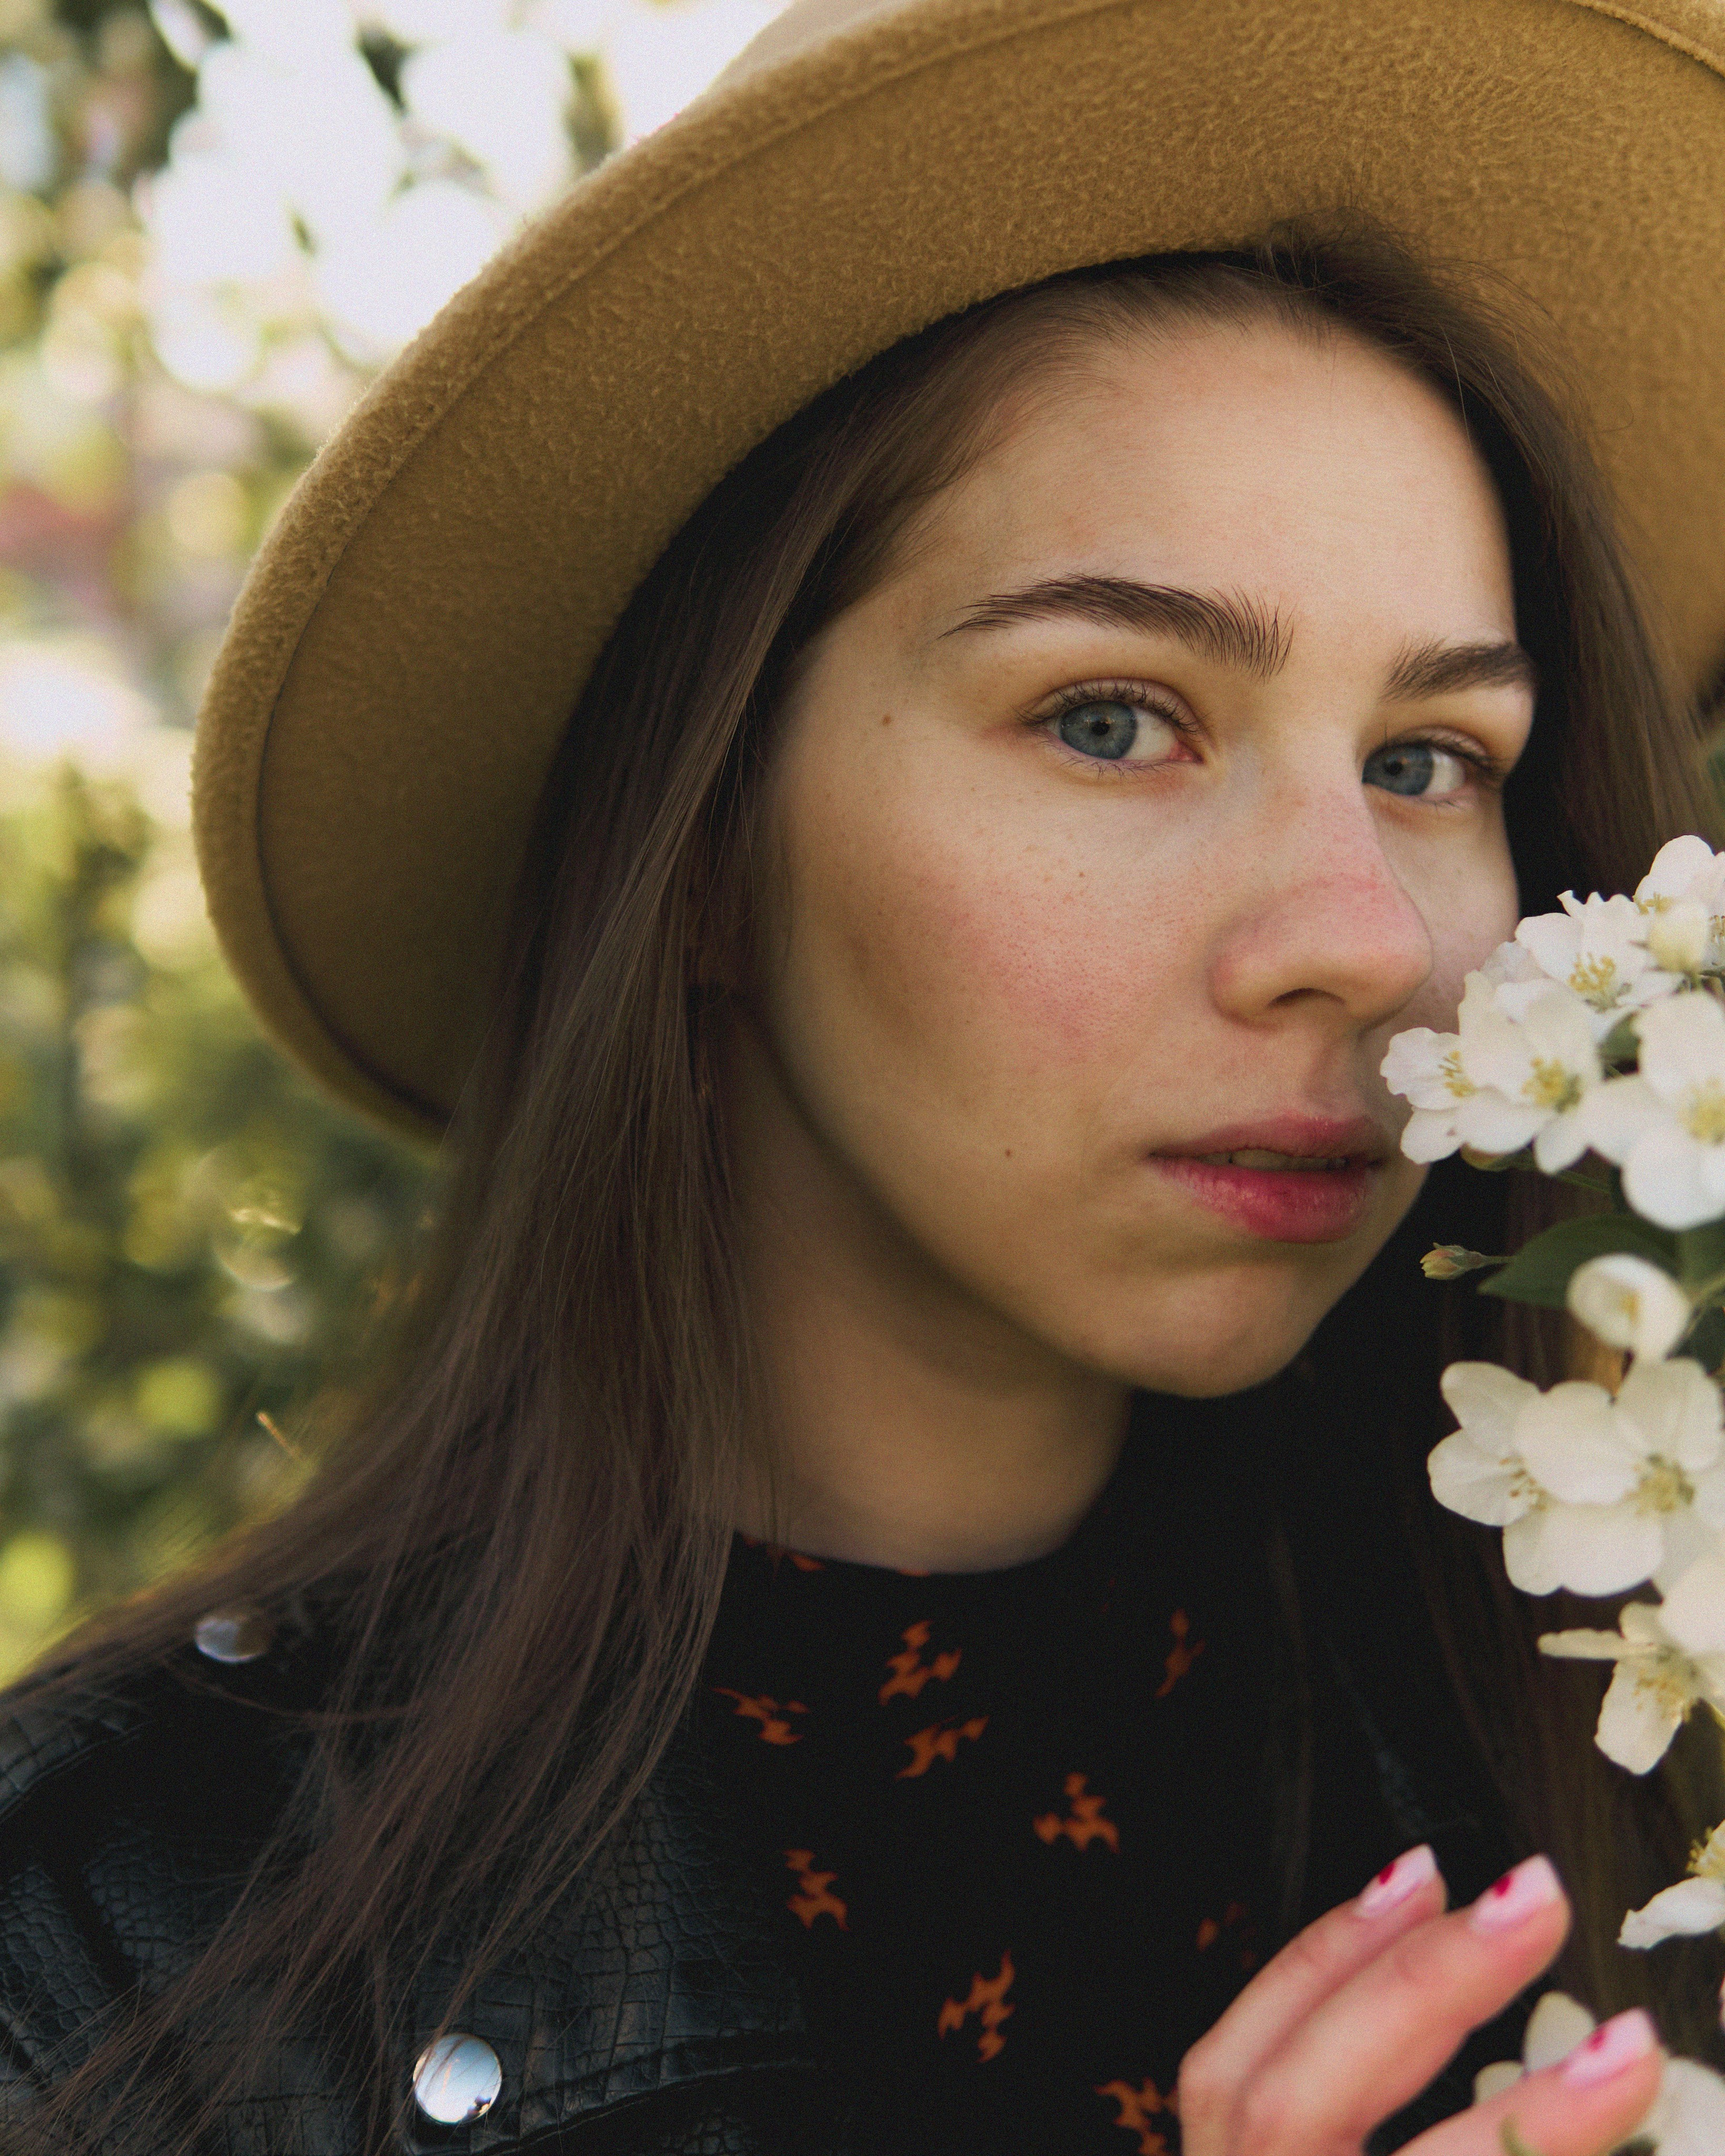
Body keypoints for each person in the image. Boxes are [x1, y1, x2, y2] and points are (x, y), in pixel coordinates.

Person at [4, 0, 1725, 2151]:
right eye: (1113, 717)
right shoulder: (112, 1958)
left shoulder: (1638, 1729)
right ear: (706, 843)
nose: (1364, 938)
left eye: (1430, 760)